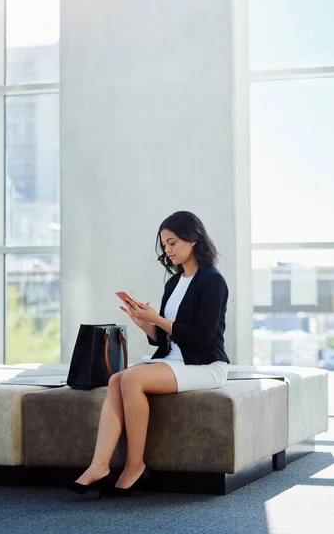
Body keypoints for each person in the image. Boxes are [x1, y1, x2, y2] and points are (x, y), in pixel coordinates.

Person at [66, 210, 230, 497]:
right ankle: (99, 465)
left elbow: (202, 337)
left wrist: (158, 319)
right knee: (118, 378)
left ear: (192, 240)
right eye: (164, 245)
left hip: (206, 365)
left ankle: (135, 465)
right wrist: (146, 324)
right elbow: (166, 339)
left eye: (172, 243)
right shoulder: (174, 283)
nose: (167, 250)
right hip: (176, 360)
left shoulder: (213, 281)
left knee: (131, 380)